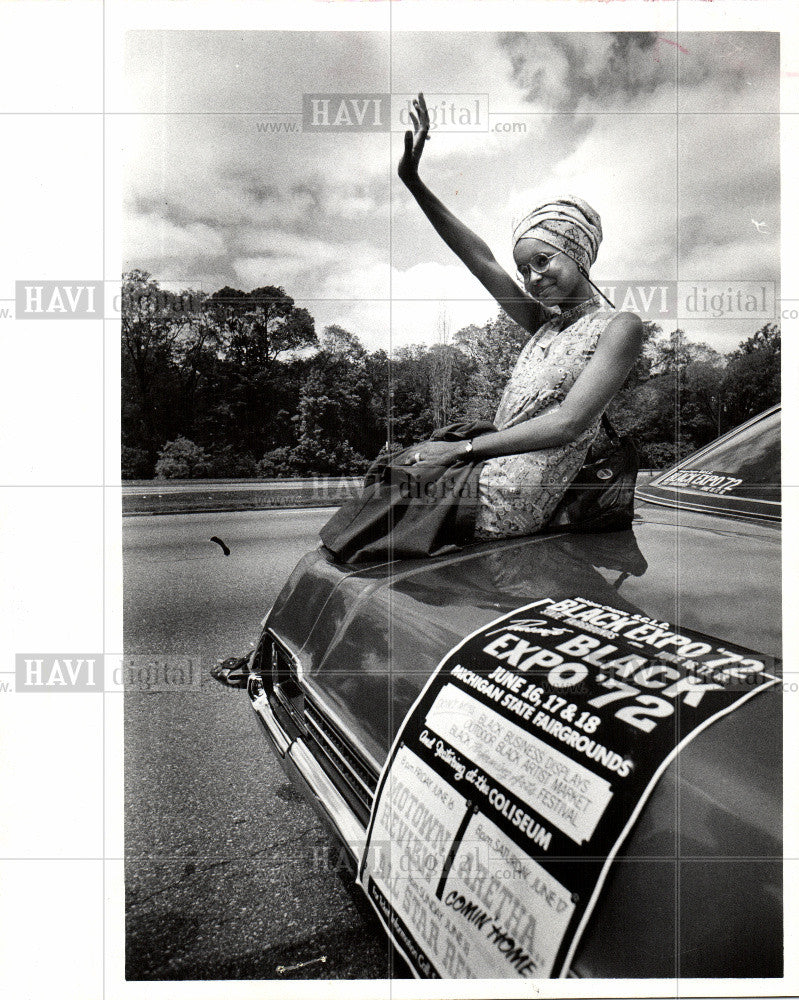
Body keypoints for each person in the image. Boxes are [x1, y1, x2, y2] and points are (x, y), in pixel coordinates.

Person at [397, 93, 644, 540]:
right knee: (390, 480)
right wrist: (413, 182)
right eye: (524, 270)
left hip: (515, 493)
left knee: (389, 510)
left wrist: (461, 451)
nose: (533, 277)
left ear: (578, 250)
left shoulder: (619, 327)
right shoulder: (544, 323)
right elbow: (480, 259)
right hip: (485, 466)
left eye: (543, 260)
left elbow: (569, 423)